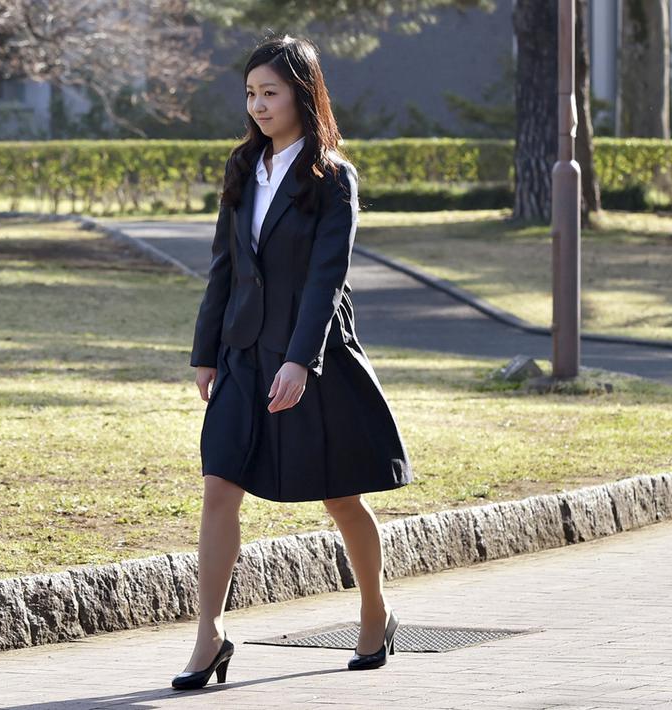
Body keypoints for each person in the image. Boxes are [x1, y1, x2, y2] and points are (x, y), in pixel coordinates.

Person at [172, 34, 414, 691]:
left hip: (313, 356)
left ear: (302, 95)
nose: (256, 105)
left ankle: (375, 610)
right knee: (219, 486)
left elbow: (325, 278)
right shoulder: (241, 167)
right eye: (249, 93)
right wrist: (205, 354)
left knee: (340, 496)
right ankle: (209, 636)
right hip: (242, 354)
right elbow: (224, 267)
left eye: (269, 93)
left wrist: (300, 362)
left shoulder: (332, 177)